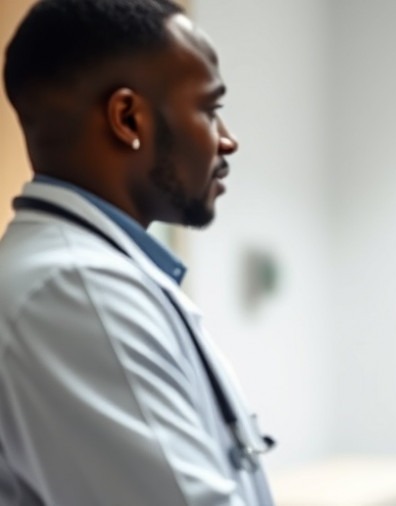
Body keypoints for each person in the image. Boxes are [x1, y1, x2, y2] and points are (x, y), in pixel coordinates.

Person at [0, 1, 276, 504]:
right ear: (128, 118)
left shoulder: (94, 274)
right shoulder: (76, 289)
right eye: (210, 110)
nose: (227, 141)